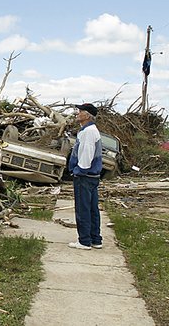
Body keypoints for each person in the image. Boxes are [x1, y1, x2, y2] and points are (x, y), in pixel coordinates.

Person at [67, 103, 103, 250]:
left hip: (85, 176)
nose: (77, 113)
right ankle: (96, 239)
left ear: (87, 115)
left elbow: (87, 154)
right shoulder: (90, 131)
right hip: (92, 176)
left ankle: (84, 241)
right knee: (92, 209)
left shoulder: (88, 132)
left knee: (83, 209)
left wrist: (79, 171)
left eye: (80, 111)